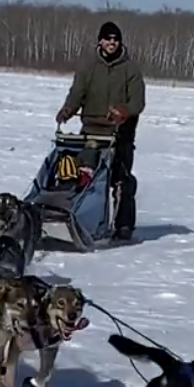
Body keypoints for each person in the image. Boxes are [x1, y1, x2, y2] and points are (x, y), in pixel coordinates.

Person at [55, 20, 145, 241]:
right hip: (91, 132)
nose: (112, 43)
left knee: (122, 181)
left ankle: (123, 226)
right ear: (101, 41)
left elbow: (138, 102)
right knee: (81, 176)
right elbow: (78, 92)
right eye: (108, 39)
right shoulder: (89, 66)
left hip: (119, 134)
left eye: (115, 39)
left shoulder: (130, 69)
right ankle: (73, 216)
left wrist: (123, 111)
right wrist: (68, 109)